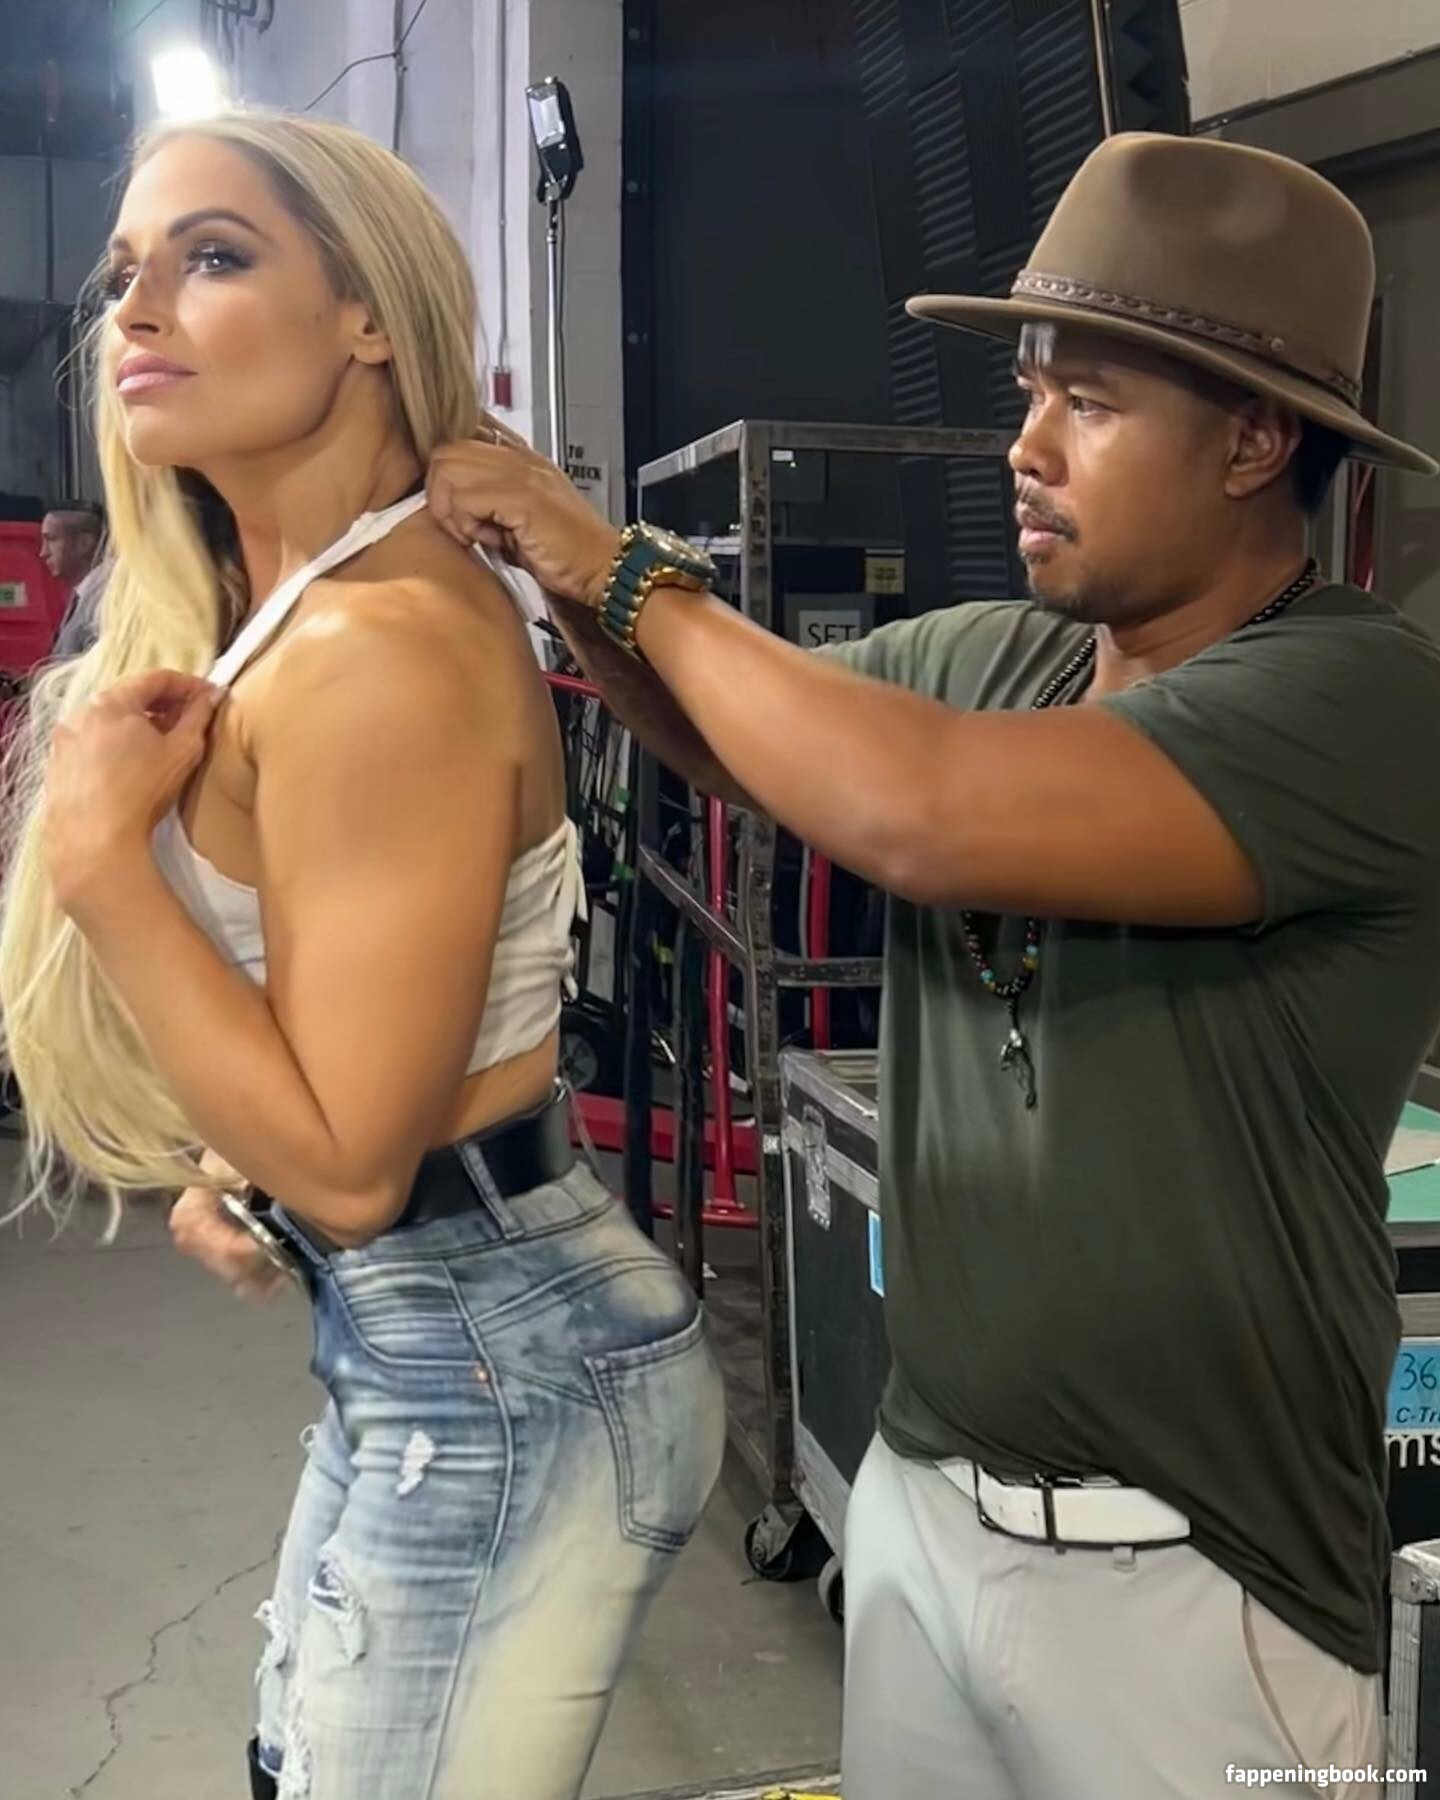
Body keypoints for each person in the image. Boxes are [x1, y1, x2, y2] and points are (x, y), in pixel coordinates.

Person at [423, 133, 1440, 1799]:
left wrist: (604, 555)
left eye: (1087, 403)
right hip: (924, 1504)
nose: (1024, 446)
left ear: (1257, 440)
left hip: (1205, 1581)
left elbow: (921, 809)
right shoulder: (1000, 656)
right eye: (1028, 392)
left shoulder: (1362, 701)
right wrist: (554, 568)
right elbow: (740, 737)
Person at [0, 110, 724, 1800]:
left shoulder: (373, 646)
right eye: (126, 273)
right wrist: (245, 1170)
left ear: (367, 318)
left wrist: (103, 865)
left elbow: (345, 1163)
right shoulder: (293, 618)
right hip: (428, 1338)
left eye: (215, 256)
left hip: (500, 1365)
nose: (140, 309)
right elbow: (350, 1067)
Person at [41, 500, 109, 659]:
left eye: (51, 540)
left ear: (83, 543)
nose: (43, 552)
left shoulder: (106, 599)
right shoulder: (85, 593)